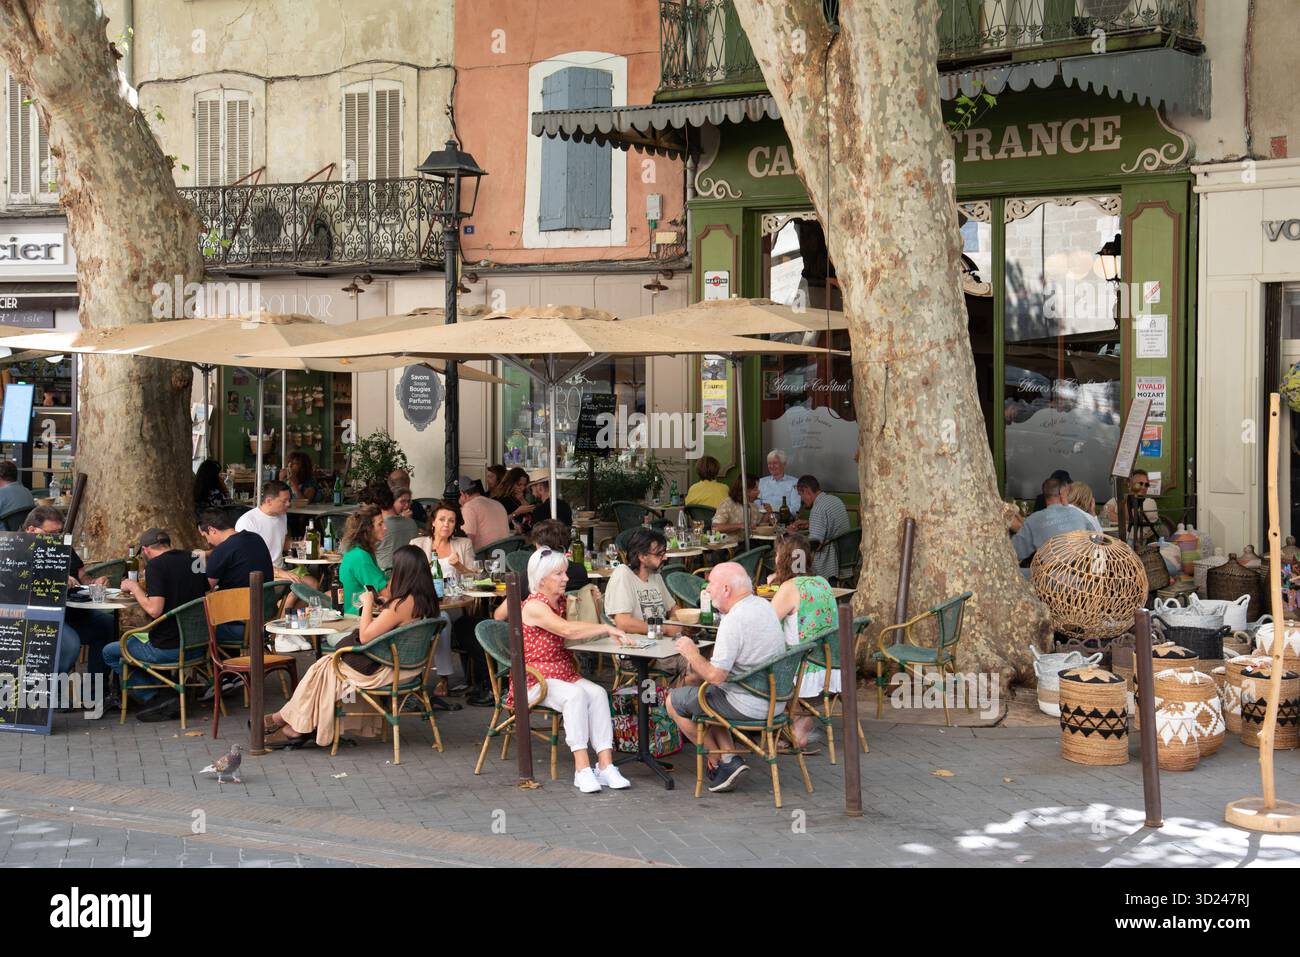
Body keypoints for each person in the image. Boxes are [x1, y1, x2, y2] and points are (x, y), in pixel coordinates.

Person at [263, 545, 441, 749]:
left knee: (322, 668)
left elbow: (365, 637)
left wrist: (367, 604)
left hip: (389, 670)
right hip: (411, 667)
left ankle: (286, 722)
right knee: (324, 668)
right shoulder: (425, 600)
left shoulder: (399, 605)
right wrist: (384, 606)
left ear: (404, 572)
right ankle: (296, 725)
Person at [511, 547, 635, 793]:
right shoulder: (534, 606)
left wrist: (594, 603)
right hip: (534, 680)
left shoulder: (561, 602)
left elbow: (582, 624)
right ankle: (582, 768)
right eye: (559, 574)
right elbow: (567, 630)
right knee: (575, 695)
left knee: (598, 693)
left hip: (564, 673)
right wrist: (607, 629)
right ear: (542, 579)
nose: (566, 579)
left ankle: (605, 765)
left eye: (564, 573)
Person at [666, 562, 789, 792]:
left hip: (750, 704)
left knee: (673, 700)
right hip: (776, 700)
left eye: (711, 584)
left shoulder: (734, 620)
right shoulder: (763, 605)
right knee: (705, 692)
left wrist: (691, 653)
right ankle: (730, 757)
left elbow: (715, 676)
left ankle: (719, 761)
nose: (707, 590)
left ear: (726, 589)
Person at [105, 527, 211, 722]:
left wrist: (135, 588)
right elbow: (205, 592)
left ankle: (158, 695)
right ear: (168, 543)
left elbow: (155, 610)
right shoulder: (194, 558)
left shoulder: (155, 566)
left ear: (145, 550)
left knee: (112, 651)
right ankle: (170, 688)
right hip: (199, 646)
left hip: (168, 649)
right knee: (137, 640)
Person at [22, 506, 113, 684]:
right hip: (38, 617)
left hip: (72, 612)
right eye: (51, 533)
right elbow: (15, 588)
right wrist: (56, 579)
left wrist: (96, 583)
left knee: (108, 625)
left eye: (59, 532)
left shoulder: (61, 544)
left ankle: (96, 692)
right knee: (69, 645)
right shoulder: (16, 548)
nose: (56, 537)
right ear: (32, 530)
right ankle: (47, 691)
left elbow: (83, 578)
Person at [768, 532, 838, 752]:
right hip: (831, 666)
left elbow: (765, 624)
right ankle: (800, 721)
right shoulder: (822, 583)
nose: (775, 559)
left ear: (784, 558)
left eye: (778, 555)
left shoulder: (790, 588)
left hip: (804, 670)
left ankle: (786, 724)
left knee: (757, 662)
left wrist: (777, 586)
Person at [410, 502, 475, 706]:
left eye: (451, 520)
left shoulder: (463, 544)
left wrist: (459, 566)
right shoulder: (418, 544)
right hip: (421, 603)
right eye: (442, 520)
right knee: (432, 619)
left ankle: (444, 678)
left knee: (443, 619)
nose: (446, 524)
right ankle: (411, 676)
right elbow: (408, 575)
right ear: (433, 522)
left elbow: (475, 577)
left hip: (453, 605)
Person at [236, 480, 318, 591]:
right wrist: (280, 572)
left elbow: (282, 543)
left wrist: (302, 544)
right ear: (269, 501)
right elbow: (250, 560)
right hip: (260, 574)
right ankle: (284, 608)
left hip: (280, 570)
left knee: (313, 584)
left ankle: (286, 608)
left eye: (289, 500)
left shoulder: (282, 516)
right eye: (284, 501)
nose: (288, 504)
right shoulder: (248, 521)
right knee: (296, 587)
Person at [603, 527, 684, 638]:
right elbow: (623, 623)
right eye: (659, 554)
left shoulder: (655, 576)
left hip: (662, 642)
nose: (665, 558)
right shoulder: (623, 574)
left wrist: (681, 621)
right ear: (642, 556)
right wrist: (664, 629)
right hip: (637, 647)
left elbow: (673, 609)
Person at [1011, 476, 1103, 563]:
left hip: (1048, 575)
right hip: (1079, 574)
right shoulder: (1079, 514)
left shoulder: (1034, 519)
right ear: (1062, 492)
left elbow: (1014, 552)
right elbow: (1098, 541)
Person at [789, 475, 850, 581]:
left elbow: (815, 545)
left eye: (801, 495)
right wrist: (810, 523)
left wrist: (795, 536)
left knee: (795, 553)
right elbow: (830, 523)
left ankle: (798, 585)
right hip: (846, 554)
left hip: (830, 557)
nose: (801, 499)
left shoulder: (818, 509)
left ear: (807, 491)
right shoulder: (834, 500)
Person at [199, 508, 275, 590]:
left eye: (205, 536)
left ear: (211, 530)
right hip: (267, 598)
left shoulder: (221, 550)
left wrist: (197, 562)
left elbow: (205, 589)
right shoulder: (255, 537)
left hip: (239, 601)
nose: (208, 541)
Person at [338, 504, 390, 612]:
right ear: (368, 529)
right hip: (355, 616)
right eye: (380, 524)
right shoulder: (360, 557)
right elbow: (385, 593)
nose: (385, 527)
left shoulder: (359, 551)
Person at [370, 483, 418, 573]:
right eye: (402, 501)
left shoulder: (379, 526)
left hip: (384, 574)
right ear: (392, 502)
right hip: (409, 572)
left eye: (408, 501)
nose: (407, 505)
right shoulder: (411, 523)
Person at [457, 475, 510, 552]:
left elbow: (466, 542)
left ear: (463, 494)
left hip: (483, 558)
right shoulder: (497, 504)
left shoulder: (469, 507)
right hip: (503, 557)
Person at [1102, 470, 1160, 537]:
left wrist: (1115, 515)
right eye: (1140, 483)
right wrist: (1126, 521)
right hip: (1112, 537)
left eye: (1146, 484)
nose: (1144, 487)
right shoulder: (1118, 498)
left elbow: (1133, 518)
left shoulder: (1149, 502)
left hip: (1132, 541)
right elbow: (1105, 512)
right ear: (1129, 484)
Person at [757, 449, 800, 514]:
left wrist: (773, 508)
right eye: (769, 463)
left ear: (784, 464)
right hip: (762, 518)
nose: (771, 466)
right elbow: (756, 503)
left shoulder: (794, 482)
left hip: (783, 518)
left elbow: (795, 508)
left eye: (775, 463)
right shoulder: (762, 481)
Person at [494, 466, 535, 531]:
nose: (522, 488)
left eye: (524, 485)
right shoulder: (499, 500)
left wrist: (522, 499)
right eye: (519, 484)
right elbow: (498, 523)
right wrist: (516, 513)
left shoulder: (523, 496)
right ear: (510, 483)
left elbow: (532, 513)